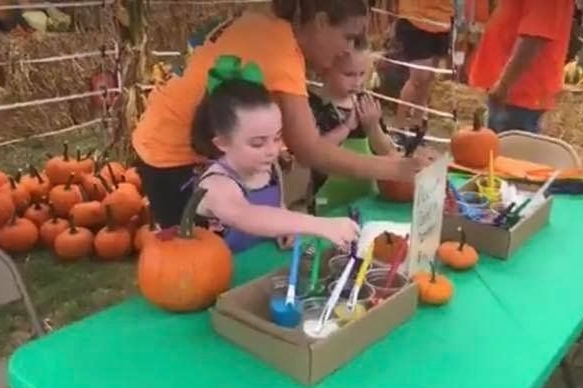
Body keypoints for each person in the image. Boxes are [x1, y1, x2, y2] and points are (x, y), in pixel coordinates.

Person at [132, 0, 432, 229]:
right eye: (348, 37)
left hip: (164, 141)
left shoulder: (265, 23)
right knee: (203, 261)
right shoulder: (282, 55)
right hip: (172, 159)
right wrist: (397, 169)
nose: (346, 50)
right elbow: (310, 150)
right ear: (321, 22)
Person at [190, 56, 361, 253]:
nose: (272, 150)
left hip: (263, 267)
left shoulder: (270, 168)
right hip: (222, 279)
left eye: (277, 137)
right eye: (257, 143)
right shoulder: (216, 184)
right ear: (223, 143)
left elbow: (277, 210)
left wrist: (284, 229)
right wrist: (321, 225)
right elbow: (246, 216)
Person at [307, 45, 398, 215]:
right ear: (325, 69)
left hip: (365, 200)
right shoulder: (313, 105)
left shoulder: (365, 102)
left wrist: (373, 127)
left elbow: (387, 151)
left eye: (362, 74)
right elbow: (313, 153)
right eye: (348, 74)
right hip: (325, 205)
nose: (357, 82)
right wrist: (346, 128)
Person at [466, 0, 574, 133]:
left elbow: (534, 38)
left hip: (517, 94)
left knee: (508, 151)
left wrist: (503, 87)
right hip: (509, 93)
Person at [392, 0, 453, 129]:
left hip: (442, 21)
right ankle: (399, 126)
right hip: (416, 19)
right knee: (418, 78)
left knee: (429, 78)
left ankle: (417, 123)